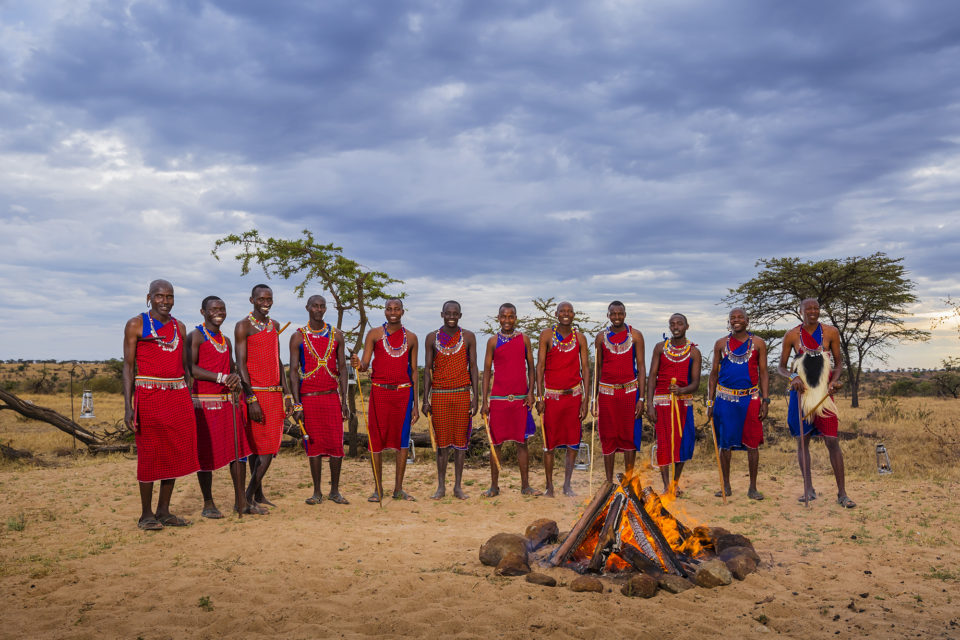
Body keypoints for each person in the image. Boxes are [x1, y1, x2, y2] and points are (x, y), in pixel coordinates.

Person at [122, 279, 199, 530]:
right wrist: (129, 406)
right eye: (159, 296)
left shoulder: (181, 327)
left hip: (177, 396)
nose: (165, 301)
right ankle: (146, 515)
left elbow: (186, 367)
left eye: (169, 296)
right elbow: (128, 367)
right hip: (149, 395)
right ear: (149, 297)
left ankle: (164, 511)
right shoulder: (136, 324)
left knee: (173, 452)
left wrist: (188, 394)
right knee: (150, 455)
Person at [777, 298, 855, 508]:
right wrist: (792, 378)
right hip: (801, 394)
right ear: (800, 311)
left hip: (823, 395)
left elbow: (839, 364)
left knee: (832, 441)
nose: (813, 311)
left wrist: (835, 380)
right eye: (808, 308)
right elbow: (781, 367)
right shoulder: (792, 335)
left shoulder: (831, 332)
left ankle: (842, 493)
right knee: (803, 441)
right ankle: (808, 489)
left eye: (816, 308)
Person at [188, 296, 256, 518]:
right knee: (206, 454)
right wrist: (221, 377)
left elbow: (232, 367)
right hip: (203, 404)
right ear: (203, 311)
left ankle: (241, 501)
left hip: (228, 403)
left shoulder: (225, 340)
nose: (219, 312)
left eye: (222, 309)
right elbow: (191, 369)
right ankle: (208, 503)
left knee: (239, 453)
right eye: (214, 309)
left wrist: (235, 377)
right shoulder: (195, 336)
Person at [351, 298, 419, 501]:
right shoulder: (374, 334)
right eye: (389, 309)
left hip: (403, 394)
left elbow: (414, 371)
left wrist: (415, 404)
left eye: (396, 309)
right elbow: (364, 365)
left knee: (402, 441)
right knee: (376, 440)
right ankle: (377, 489)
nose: (393, 312)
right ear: (384, 311)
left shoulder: (412, 338)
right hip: (380, 393)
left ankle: (398, 489)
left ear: (402, 312)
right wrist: (358, 363)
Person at [235, 284, 292, 511]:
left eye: (269, 298)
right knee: (260, 450)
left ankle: (256, 495)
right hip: (255, 395)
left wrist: (287, 393)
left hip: (274, 395)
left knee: (265, 449)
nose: (266, 302)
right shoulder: (243, 326)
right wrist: (251, 399)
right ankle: (245, 500)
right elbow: (240, 365)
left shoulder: (274, 325)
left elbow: (278, 361)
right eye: (261, 299)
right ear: (252, 300)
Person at [289, 295, 350, 505]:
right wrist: (297, 404)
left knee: (336, 445)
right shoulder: (298, 336)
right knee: (313, 446)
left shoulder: (337, 335)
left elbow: (342, 369)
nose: (318, 309)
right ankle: (317, 492)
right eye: (315, 306)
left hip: (331, 397)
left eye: (322, 306)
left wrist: (345, 402)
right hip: (309, 398)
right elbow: (293, 373)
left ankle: (335, 490)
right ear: (307, 308)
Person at [706, 308, 768, 500]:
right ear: (729, 322)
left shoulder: (758, 343)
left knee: (753, 444)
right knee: (724, 444)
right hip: (725, 400)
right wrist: (710, 402)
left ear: (747, 321)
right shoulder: (720, 344)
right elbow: (713, 374)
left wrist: (765, 400)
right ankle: (726, 485)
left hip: (750, 399)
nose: (736, 320)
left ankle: (753, 488)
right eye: (733, 318)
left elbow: (764, 373)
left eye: (740, 317)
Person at [480, 303, 540, 497]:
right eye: (504, 316)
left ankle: (525, 486)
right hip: (498, 399)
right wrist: (484, 401)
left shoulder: (524, 340)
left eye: (511, 316)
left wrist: (531, 392)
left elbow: (531, 367)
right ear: (498, 318)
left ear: (516, 318)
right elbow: (487, 371)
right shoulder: (492, 341)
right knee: (495, 443)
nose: (507, 320)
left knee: (522, 443)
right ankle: (494, 487)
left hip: (520, 399)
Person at [422, 301, 478, 500]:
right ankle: (441, 487)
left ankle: (458, 487)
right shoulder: (431, 338)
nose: (451, 316)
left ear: (460, 315)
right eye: (448, 313)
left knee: (461, 444)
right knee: (442, 444)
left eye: (455, 313)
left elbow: (473, 367)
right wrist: (425, 399)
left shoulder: (469, 337)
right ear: (442, 314)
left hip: (462, 393)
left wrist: (476, 398)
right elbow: (428, 371)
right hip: (439, 395)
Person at [535, 301, 590, 497]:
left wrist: (586, 400)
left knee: (572, 443)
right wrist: (539, 396)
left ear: (574, 315)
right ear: (556, 314)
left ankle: (567, 485)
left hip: (574, 397)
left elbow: (585, 369)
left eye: (569, 311)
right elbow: (540, 367)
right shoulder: (546, 335)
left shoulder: (581, 338)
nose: (566, 314)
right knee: (549, 444)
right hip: (551, 398)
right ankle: (549, 486)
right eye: (562, 311)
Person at [645, 313, 701, 496]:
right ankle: (666, 485)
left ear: (687, 326)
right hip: (662, 404)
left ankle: (675, 484)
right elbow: (652, 376)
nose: (676, 326)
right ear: (669, 327)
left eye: (679, 323)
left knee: (682, 444)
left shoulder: (694, 352)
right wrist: (650, 405)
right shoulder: (660, 348)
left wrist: (682, 391)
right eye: (672, 324)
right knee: (664, 445)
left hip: (684, 405)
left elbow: (696, 383)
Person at [592, 301, 646, 483]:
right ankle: (608, 482)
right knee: (608, 435)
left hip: (630, 392)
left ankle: (629, 480)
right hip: (606, 394)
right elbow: (597, 369)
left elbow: (642, 367)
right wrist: (594, 399)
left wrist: (642, 399)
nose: (616, 317)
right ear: (608, 315)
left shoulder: (636, 335)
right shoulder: (600, 338)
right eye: (613, 314)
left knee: (628, 435)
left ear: (625, 314)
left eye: (620, 313)